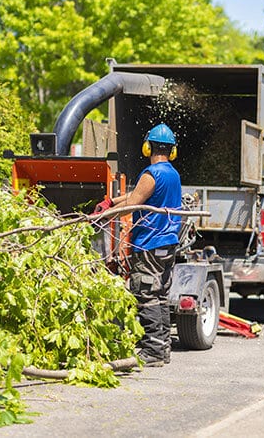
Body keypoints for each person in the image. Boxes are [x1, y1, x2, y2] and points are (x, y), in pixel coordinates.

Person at [94, 123, 182, 367]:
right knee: (160, 295)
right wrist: (110, 201)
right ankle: (162, 350)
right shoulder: (172, 174)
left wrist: (100, 217)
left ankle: (152, 351)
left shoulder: (151, 174)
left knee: (145, 294)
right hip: (167, 244)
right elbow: (137, 196)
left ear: (148, 147)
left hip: (149, 244)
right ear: (172, 151)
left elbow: (133, 204)